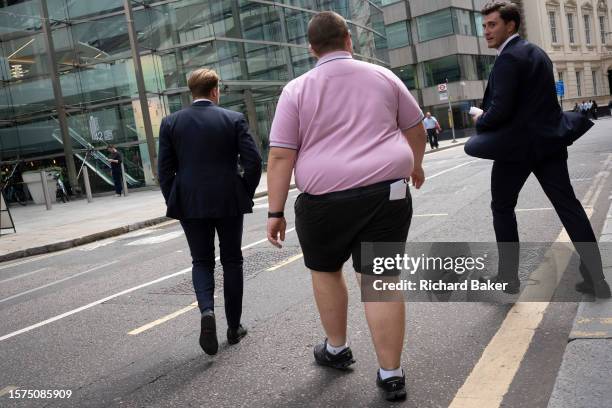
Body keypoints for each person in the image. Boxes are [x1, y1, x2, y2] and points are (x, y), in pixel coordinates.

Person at [266, 11, 426, 401]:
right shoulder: (383, 76)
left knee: (325, 271)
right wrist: (416, 164)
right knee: (381, 281)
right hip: (386, 195)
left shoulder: (296, 89)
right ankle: (391, 374)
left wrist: (275, 212)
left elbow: (280, 157)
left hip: (323, 203)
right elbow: (417, 129)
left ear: (311, 48)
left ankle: (336, 349)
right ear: (349, 39)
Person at [470, 1, 610, 298]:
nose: (486, 32)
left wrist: (480, 117)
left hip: (515, 149)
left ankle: (508, 277)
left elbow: (500, 112)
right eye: (484, 26)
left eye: (492, 25)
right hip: (549, 144)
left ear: (510, 25)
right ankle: (597, 278)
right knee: (569, 208)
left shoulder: (508, 58)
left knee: (502, 207)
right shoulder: (538, 53)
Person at [157, 68, 262, 355]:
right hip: (228, 198)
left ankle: (207, 312)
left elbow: (164, 172)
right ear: (215, 90)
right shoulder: (233, 119)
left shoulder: (170, 123)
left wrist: (176, 199)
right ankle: (234, 327)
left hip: (190, 201)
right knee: (232, 261)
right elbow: (253, 162)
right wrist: (244, 192)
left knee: (201, 261)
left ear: (192, 92)